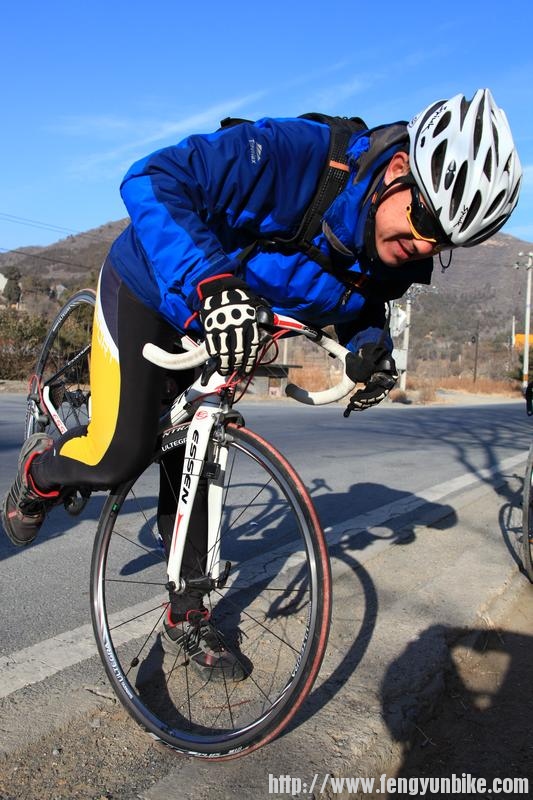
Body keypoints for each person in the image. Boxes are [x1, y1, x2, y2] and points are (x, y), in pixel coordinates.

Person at [1, 89, 522, 679]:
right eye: (426, 221)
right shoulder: (296, 159)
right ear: (398, 171)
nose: (425, 246)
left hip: (234, 329)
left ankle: (187, 615)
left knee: (199, 462)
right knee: (118, 456)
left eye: (445, 242)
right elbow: (150, 178)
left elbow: (357, 303)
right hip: (152, 290)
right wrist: (210, 284)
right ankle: (39, 473)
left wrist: (366, 347)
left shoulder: (391, 249)